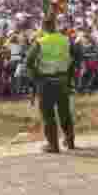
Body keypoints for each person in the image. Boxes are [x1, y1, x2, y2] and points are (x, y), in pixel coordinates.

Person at [26, 11, 75, 153]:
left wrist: (36, 78)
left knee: (48, 115)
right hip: (62, 80)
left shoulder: (40, 42)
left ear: (44, 27)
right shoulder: (65, 40)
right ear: (55, 25)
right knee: (65, 112)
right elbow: (76, 57)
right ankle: (70, 141)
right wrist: (69, 76)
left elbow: (28, 62)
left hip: (46, 82)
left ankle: (53, 145)